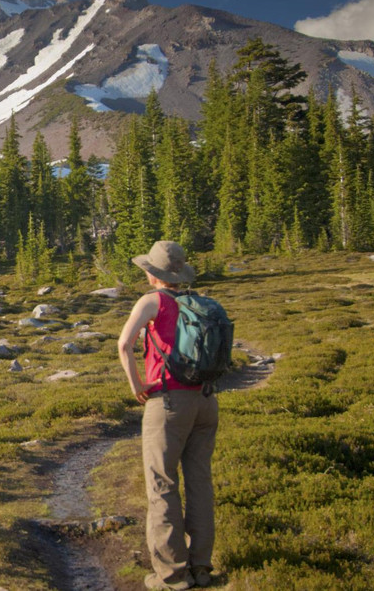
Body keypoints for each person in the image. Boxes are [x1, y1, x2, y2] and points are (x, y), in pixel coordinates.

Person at [117, 241, 217, 590]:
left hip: (169, 401)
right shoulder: (198, 303)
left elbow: (124, 344)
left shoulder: (152, 301)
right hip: (205, 401)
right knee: (200, 482)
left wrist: (136, 386)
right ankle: (201, 568)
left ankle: (172, 575)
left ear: (153, 273)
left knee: (162, 485)